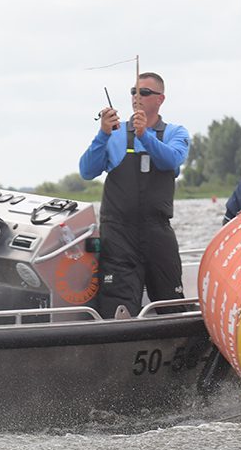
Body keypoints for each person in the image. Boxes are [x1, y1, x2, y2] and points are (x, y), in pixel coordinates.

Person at [79, 72, 190, 319]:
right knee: (117, 305)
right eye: (133, 91)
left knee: (172, 304)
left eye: (145, 93)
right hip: (118, 234)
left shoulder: (175, 133)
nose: (137, 97)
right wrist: (102, 135)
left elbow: (171, 160)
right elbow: (87, 171)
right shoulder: (115, 134)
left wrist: (145, 137)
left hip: (157, 231)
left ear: (160, 99)